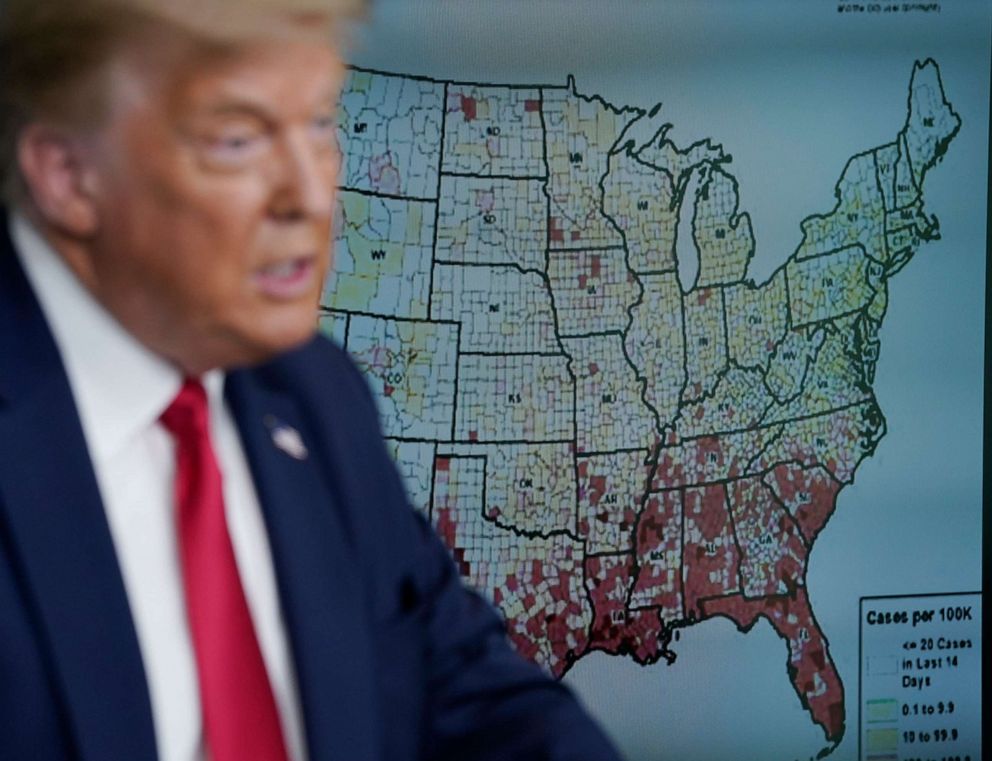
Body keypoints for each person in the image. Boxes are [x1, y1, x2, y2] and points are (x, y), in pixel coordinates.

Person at [0, 1, 623, 759]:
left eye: (322, 125)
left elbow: (466, 689)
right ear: (68, 174)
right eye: (237, 140)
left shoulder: (316, 397)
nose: (309, 194)